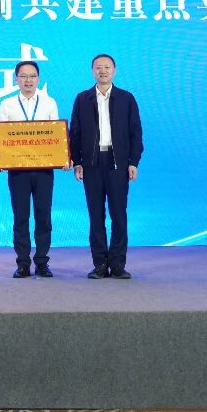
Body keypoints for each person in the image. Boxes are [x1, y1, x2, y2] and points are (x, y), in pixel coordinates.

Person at [68, 54, 143, 280]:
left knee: (119, 215)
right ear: (92, 71)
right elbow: (75, 133)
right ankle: (100, 263)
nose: (103, 71)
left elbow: (135, 132)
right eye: (98, 67)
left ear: (114, 71)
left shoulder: (126, 98)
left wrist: (133, 162)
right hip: (91, 164)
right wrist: (77, 162)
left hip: (117, 162)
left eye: (107, 67)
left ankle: (118, 264)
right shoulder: (83, 99)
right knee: (96, 215)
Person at [0, 61, 60, 279]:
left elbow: (56, 135)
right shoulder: (7, 104)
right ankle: (22, 263)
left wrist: (62, 157)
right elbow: (2, 136)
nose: (28, 80)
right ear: (16, 79)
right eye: (23, 76)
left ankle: (42, 262)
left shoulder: (49, 102)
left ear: (38, 79)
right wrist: (0, 159)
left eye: (32, 76)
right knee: (20, 217)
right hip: (18, 171)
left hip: (44, 170)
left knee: (44, 216)